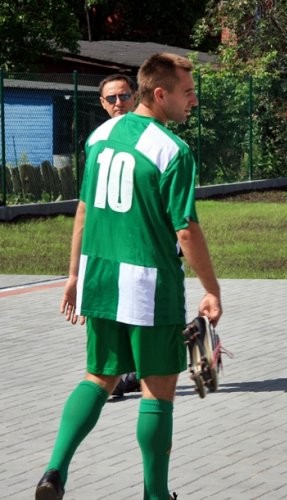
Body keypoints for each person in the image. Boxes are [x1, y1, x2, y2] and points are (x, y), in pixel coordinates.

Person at [35, 53, 222, 500]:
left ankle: (54, 470)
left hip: (100, 276)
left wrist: (74, 275)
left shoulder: (100, 137)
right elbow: (185, 229)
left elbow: (83, 210)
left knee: (98, 377)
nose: (194, 100)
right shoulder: (173, 150)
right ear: (160, 94)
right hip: (148, 285)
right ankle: (156, 495)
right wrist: (211, 289)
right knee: (157, 391)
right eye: (187, 92)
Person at [98, 73, 142, 398]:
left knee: (141, 309)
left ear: (135, 96)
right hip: (109, 241)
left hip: (144, 241)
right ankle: (120, 373)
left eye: (124, 96)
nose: (118, 103)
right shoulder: (97, 141)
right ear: (102, 103)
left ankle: (130, 372)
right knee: (113, 308)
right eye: (111, 98)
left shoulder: (149, 135)